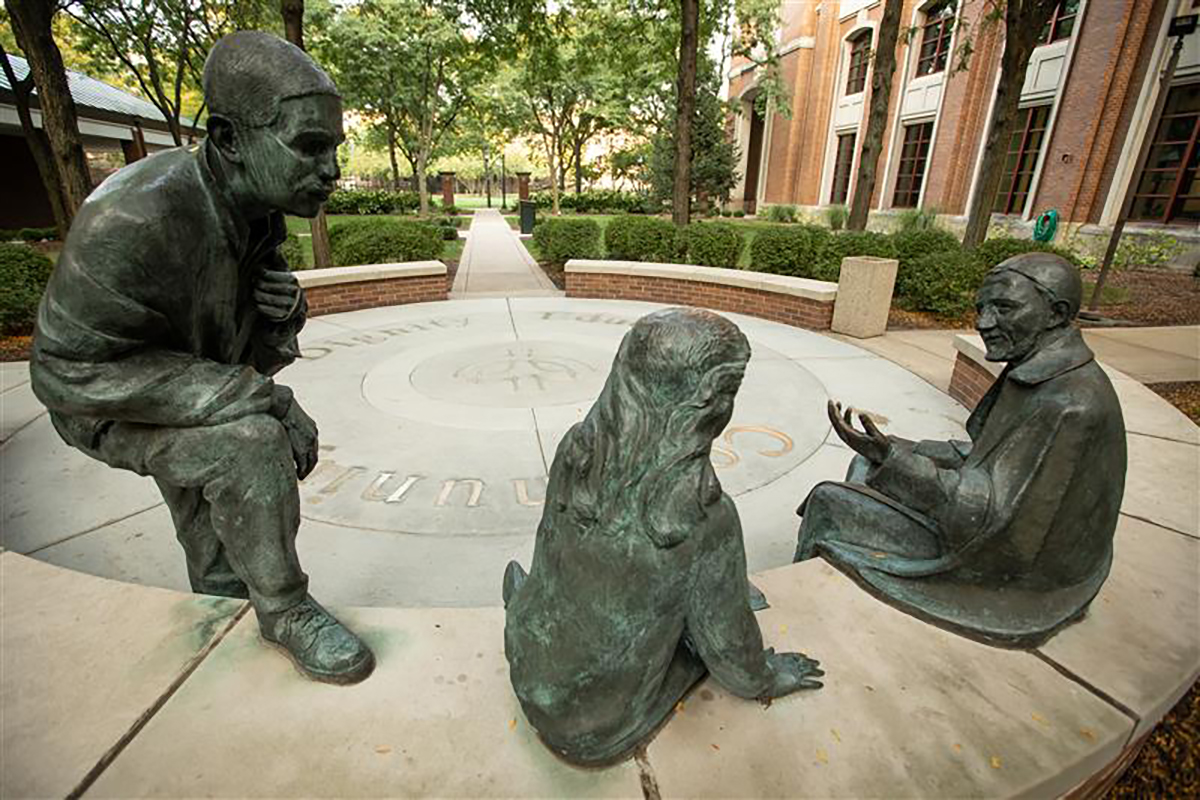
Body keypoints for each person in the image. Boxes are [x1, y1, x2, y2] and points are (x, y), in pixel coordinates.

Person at [30, 31, 374, 684]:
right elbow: (65, 368)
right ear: (229, 138)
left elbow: (241, 353)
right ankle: (284, 608)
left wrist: (280, 316)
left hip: (184, 378)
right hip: (99, 396)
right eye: (309, 145)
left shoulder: (257, 216)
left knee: (218, 509)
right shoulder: (131, 219)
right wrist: (264, 401)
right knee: (247, 445)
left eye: (333, 148)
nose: (330, 170)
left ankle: (220, 598)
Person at [503, 308, 823, 766]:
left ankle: (528, 617)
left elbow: (552, 547)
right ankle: (712, 590)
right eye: (729, 390)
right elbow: (730, 653)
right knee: (699, 634)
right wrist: (768, 678)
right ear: (708, 404)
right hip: (595, 724)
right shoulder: (701, 518)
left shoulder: (577, 449)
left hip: (528, 661)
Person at [795, 253, 1126, 648]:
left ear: (1055, 313)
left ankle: (798, 619)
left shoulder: (1068, 404)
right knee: (864, 463)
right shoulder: (1043, 367)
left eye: (1003, 308)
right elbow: (985, 455)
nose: (984, 323)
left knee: (828, 502)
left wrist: (901, 465)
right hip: (1008, 537)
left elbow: (996, 520)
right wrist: (893, 449)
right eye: (981, 308)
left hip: (1021, 575)